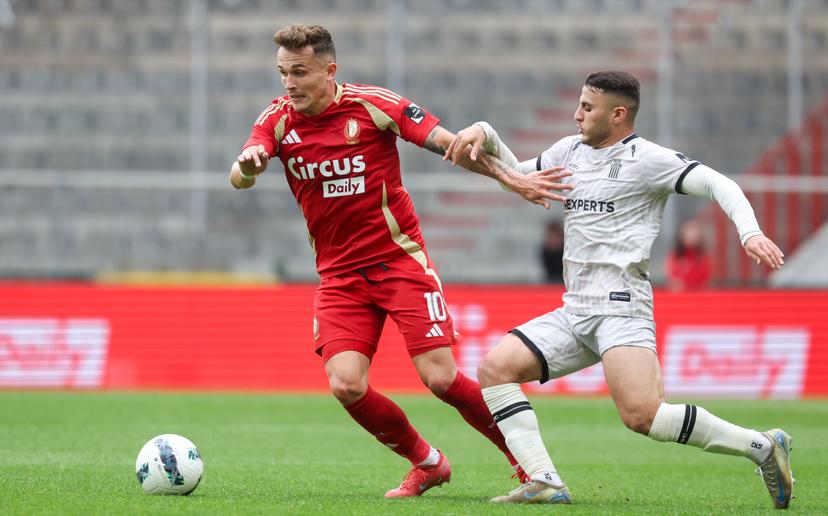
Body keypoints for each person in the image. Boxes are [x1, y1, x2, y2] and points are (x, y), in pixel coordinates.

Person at [229, 24, 572, 498]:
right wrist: (246, 167)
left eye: (299, 72)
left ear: (330, 71)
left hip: (399, 262)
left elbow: (452, 145)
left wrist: (510, 178)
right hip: (339, 277)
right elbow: (243, 168)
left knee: (441, 378)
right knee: (346, 385)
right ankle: (427, 462)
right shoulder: (277, 119)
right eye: (283, 73)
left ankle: (530, 465)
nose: (288, 84)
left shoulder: (374, 105)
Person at [444, 71, 792, 508]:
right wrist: (485, 133)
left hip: (621, 309)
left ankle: (762, 446)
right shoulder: (567, 151)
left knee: (643, 417)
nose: (577, 115)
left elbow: (720, 184)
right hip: (574, 311)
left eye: (587, 108)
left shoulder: (649, 160)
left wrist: (749, 233)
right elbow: (517, 174)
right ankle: (544, 480)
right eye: (579, 105)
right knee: (495, 369)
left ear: (618, 114)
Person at [666, 219, 711, 291]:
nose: (692, 236)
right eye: (689, 232)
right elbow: (673, 279)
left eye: (694, 232)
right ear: (682, 235)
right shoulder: (675, 256)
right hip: (681, 297)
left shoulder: (702, 256)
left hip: (699, 296)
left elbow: (705, 279)